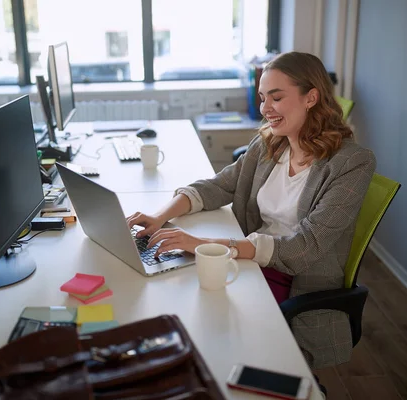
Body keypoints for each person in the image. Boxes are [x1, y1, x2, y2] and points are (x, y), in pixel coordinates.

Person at [126, 52, 376, 370]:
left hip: (297, 278)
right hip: (252, 261)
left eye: (276, 97)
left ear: (311, 97)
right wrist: (161, 215)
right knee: (174, 296)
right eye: (262, 98)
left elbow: (306, 248)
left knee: (202, 320)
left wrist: (206, 245)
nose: (265, 109)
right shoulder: (271, 143)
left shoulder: (352, 162)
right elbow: (219, 185)